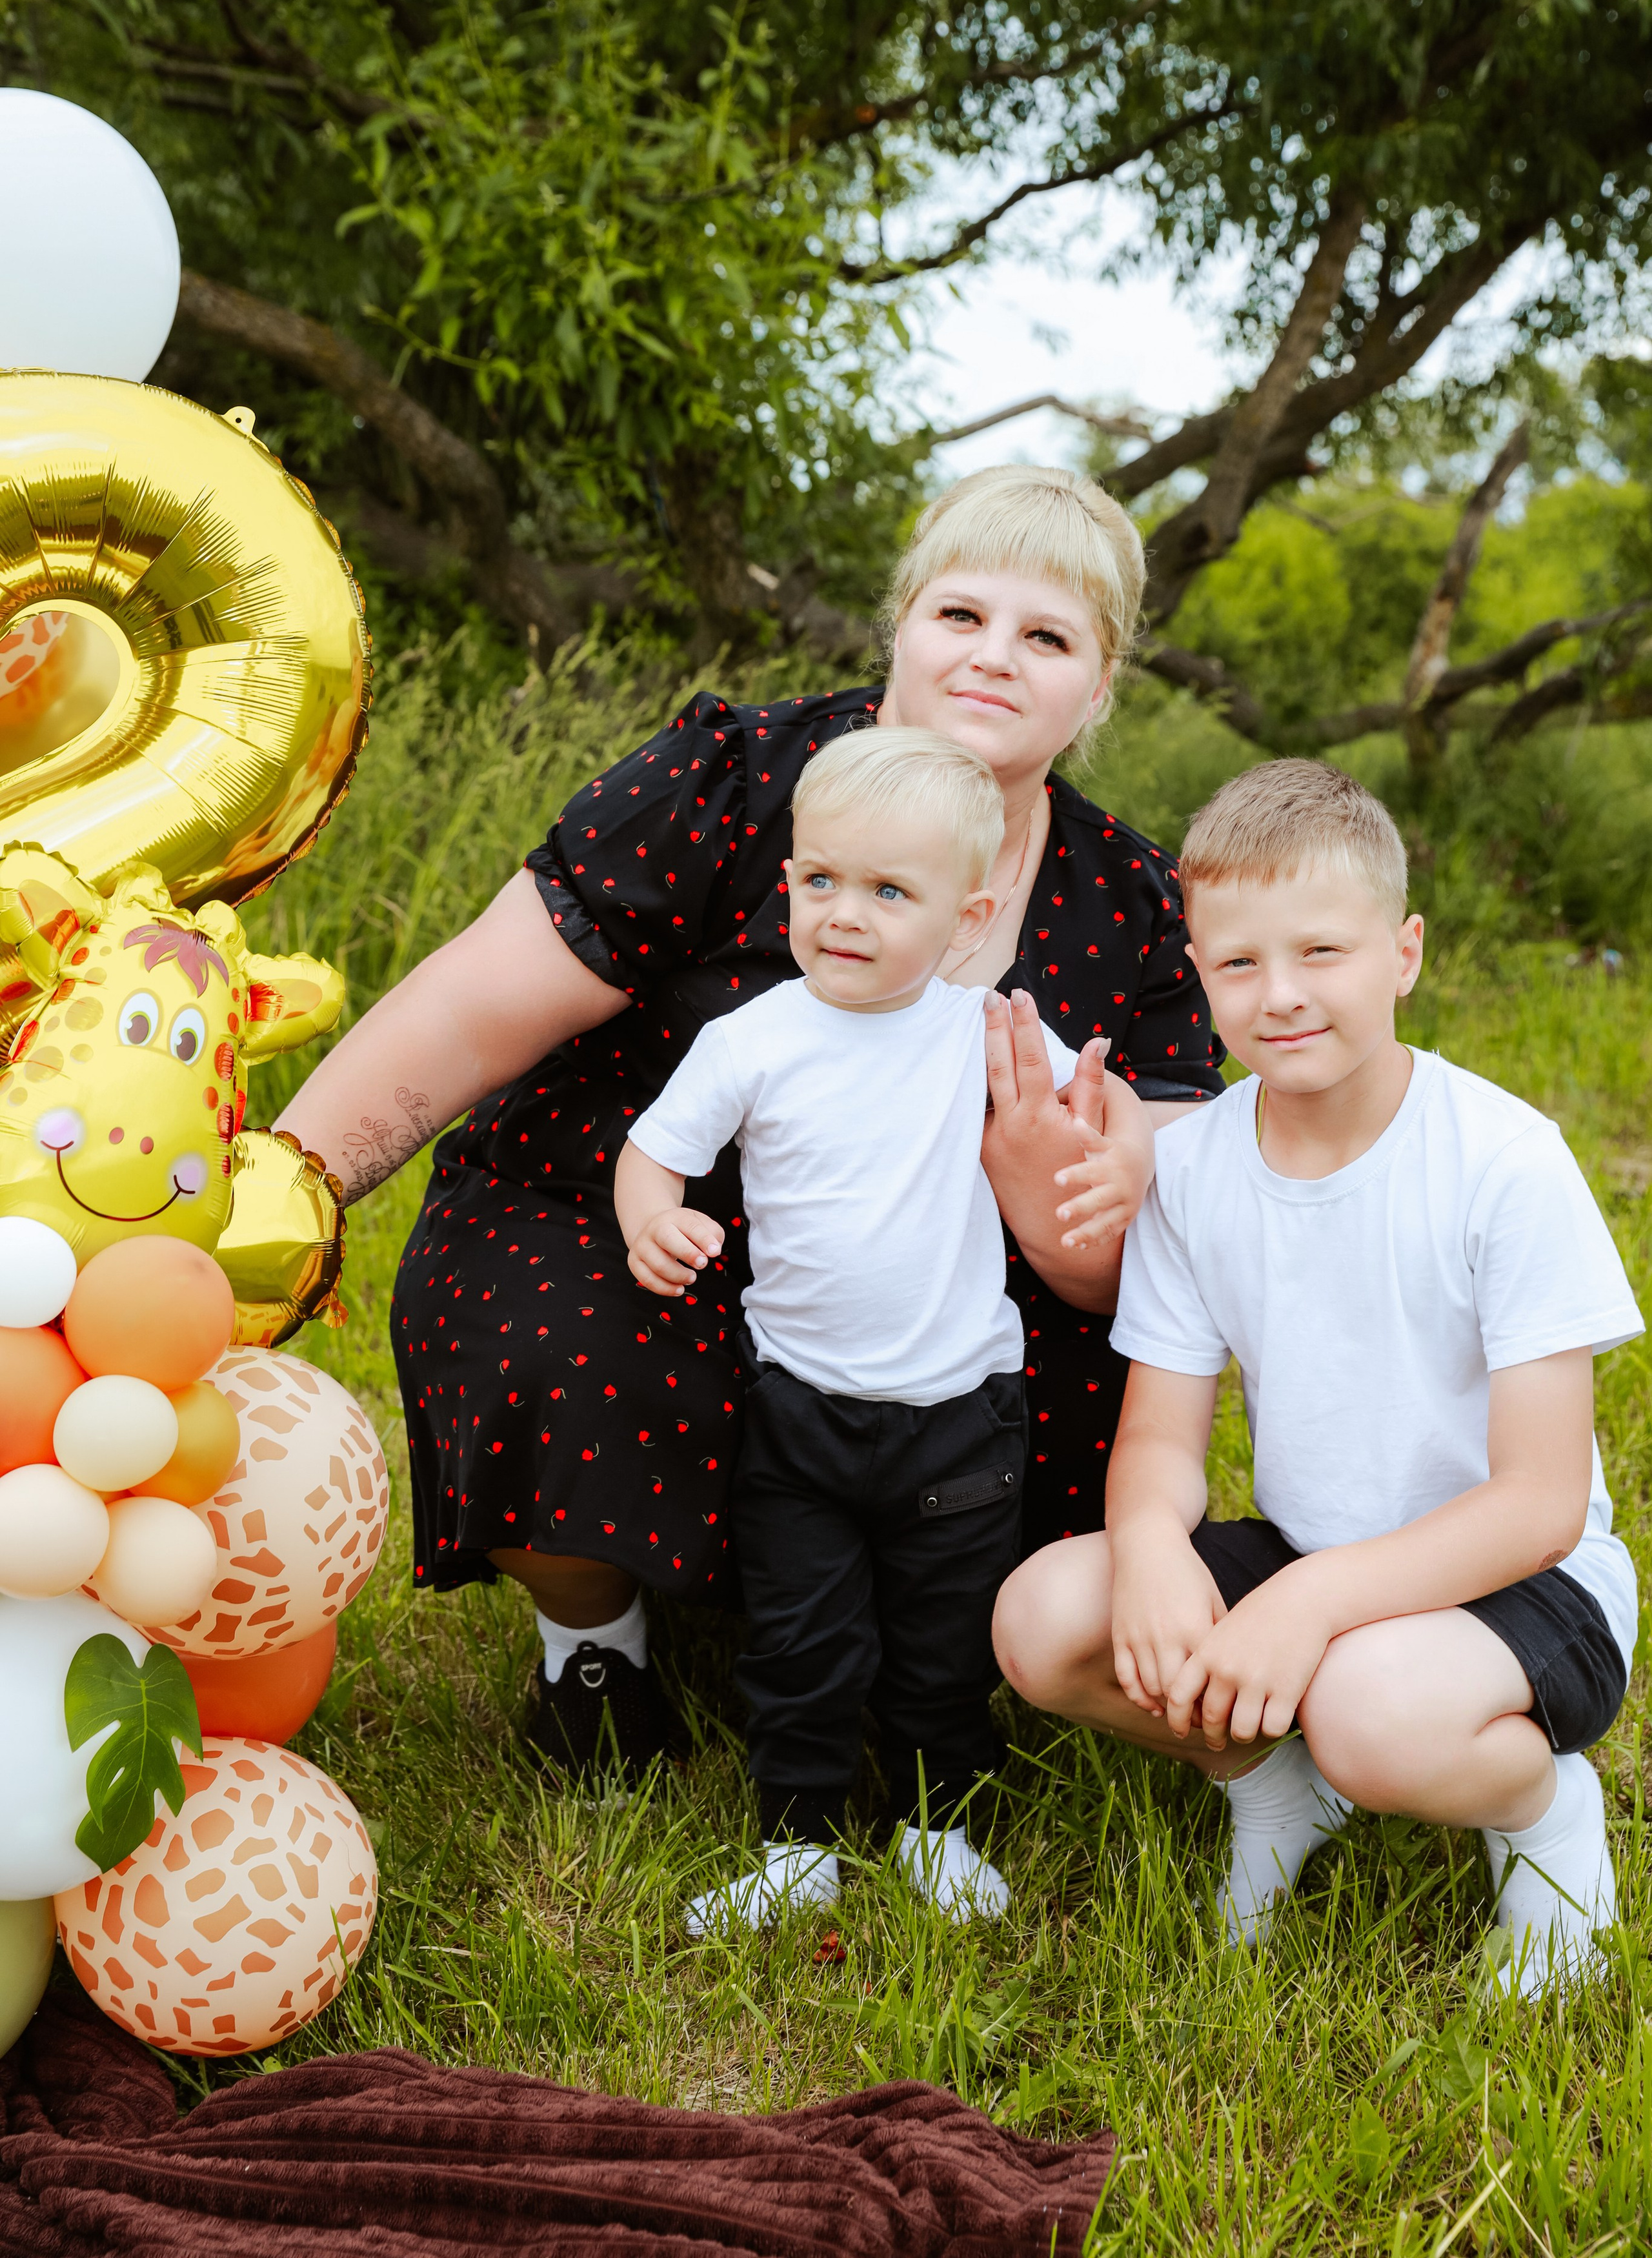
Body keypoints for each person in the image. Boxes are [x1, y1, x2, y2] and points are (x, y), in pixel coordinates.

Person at [273, 465, 1225, 1779]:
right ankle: (596, 1647)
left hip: (953, 1303)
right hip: (661, 1232)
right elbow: (470, 1015)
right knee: (527, 1305)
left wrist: (1049, 1207)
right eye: (959, 614)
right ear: (898, 623)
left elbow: (1174, 1246)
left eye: (1046, 636)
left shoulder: (1131, 903)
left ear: (1097, 682)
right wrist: (281, 1199)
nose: (993, 658)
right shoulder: (731, 775)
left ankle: (936, 1659)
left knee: (1109, 1375)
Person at [992, 760, 1643, 1996]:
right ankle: (1275, 1787)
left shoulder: (1503, 1159)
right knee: (1045, 1620)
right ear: (1199, 972)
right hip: (1316, 1552)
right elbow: (1163, 1441)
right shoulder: (1196, 1175)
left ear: (1402, 953)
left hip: (1527, 1586)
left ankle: (1545, 1811)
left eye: (1322, 953)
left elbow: (1541, 1499)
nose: (1279, 996)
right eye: (1238, 964)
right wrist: (1148, 1550)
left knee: (1363, 1709)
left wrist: (1308, 1607)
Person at [615, 726, 1152, 1926]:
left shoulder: (984, 1030)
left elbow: (1103, 1116)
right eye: (822, 880)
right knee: (800, 1645)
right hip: (800, 1413)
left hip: (962, 1420)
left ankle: (937, 1824)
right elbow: (655, 1151)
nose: (845, 913)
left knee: (942, 1645)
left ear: (964, 921)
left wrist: (1118, 1162)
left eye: (889, 891)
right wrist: (655, 1219)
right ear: (791, 882)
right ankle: (795, 1843)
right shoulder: (754, 1040)